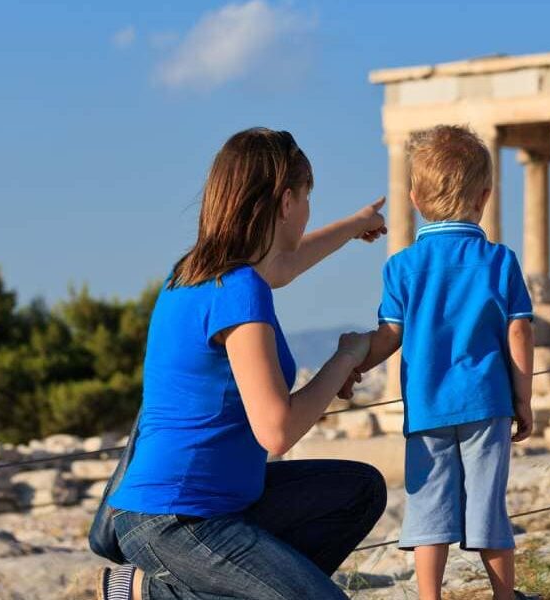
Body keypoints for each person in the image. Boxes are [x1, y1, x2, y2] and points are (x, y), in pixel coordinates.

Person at [96, 127, 389, 600]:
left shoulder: (198, 272)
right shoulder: (239, 290)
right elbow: (277, 432)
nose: (309, 209)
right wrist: (345, 358)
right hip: (177, 516)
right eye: (308, 197)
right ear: (288, 201)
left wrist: (355, 225)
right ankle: (151, 594)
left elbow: (285, 267)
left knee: (360, 490)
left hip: (220, 503)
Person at [349, 125, 535, 600]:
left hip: (427, 409)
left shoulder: (401, 267)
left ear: (413, 198)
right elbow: (518, 331)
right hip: (487, 403)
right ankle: (503, 596)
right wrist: (524, 399)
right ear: (486, 196)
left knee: (428, 509)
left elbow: (390, 337)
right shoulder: (500, 261)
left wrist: (353, 363)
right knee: (489, 506)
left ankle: (429, 597)